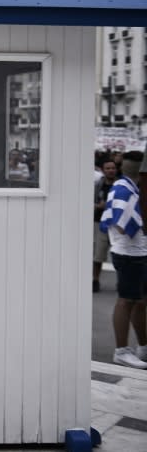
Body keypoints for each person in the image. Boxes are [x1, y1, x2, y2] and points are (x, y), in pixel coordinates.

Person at [101, 151, 147, 369]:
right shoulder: (124, 189)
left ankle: (143, 347)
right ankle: (121, 351)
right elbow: (121, 223)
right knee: (127, 301)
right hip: (129, 254)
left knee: (139, 303)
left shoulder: (128, 187)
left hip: (136, 253)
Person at [93, 159, 118, 292]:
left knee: (119, 254)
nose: (110, 170)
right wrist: (98, 206)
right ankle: (95, 280)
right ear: (103, 170)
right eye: (107, 168)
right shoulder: (98, 185)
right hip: (100, 222)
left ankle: (121, 282)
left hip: (116, 224)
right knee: (98, 254)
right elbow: (90, 202)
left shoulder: (120, 185)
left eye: (112, 168)